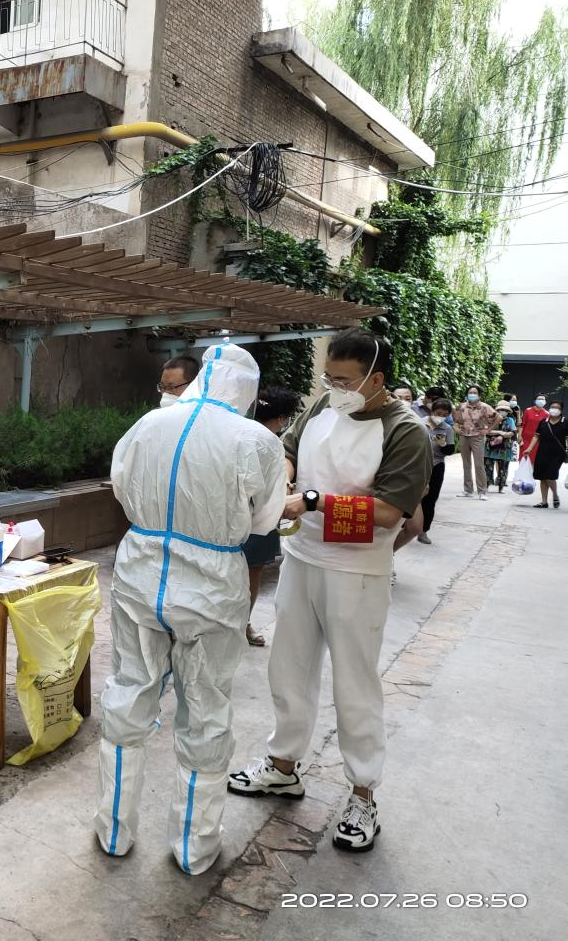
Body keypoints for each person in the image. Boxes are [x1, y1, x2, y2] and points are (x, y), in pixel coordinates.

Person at [228, 329, 431, 854]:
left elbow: (389, 513)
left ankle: (363, 794)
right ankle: (282, 766)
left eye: (344, 380)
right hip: (302, 558)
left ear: (375, 379)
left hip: (357, 570)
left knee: (354, 683)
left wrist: (313, 501)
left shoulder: (406, 432)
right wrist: (285, 478)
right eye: (329, 377)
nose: (333, 388)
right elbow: (289, 449)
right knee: (289, 667)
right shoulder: (323, 406)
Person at [96, 344, 286, 874]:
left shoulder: (148, 424)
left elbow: (120, 486)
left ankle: (113, 831)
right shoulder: (257, 440)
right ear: (247, 390)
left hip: (140, 573)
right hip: (212, 588)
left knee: (127, 694)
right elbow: (265, 520)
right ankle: (194, 847)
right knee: (205, 712)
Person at [241, 386, 302, 646]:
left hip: (233, 514)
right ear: (282, 418)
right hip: (261, 515)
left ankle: (236, 624)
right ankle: (244, 624)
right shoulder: (273, 444)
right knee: (252, 572)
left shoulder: (237, 433)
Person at [417, 397, 456, 544]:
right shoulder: (420, 423)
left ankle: (423, 531)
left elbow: (450, 450)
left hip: (436, 464)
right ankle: (404, 527)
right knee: (413, 496)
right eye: (438, 413)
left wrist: (444, 444)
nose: (441, 417)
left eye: (445, 415)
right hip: (418, 463)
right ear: (432, 411)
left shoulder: (447, 429)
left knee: (431, 499)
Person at [454, 385, 499, 499]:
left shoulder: (484, 407)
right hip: (464, 436)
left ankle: (482, 491)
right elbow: (455, 420)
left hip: (477, 437)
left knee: (479, 464)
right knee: (466, 464)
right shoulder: (462, 406)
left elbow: (498, 417)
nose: (472, 394)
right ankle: (468, 490)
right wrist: (456, 428)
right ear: (467, 394)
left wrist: (488, 430)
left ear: (479, 395)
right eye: (470, 392)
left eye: (474, 393)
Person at [527, 400, 567, 508]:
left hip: (558, 454)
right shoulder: (543, 422)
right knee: (542, 477)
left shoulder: (565, 422)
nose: (554, 409)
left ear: (561, 410)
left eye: (557, 407)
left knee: (550, 475)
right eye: (553, 407)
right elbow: (536, 436)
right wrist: (530, 448)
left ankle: (555, 495)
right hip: (542, 452)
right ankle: (544, 502)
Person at [484, 400, 518, 493]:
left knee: (503, 468)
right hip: (490, 446)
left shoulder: (510, 420)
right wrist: (501, 433)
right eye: (501, 409)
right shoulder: (490, 419)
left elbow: (512, 432)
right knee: (487, 466)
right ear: (497, 410)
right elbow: (486, 431)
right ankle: (486, 485)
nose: (503, 411)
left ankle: (501, 486)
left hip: (505, 447)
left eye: (505, 410)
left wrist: (502, 436)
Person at [520, 393, 550, 459]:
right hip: (525, 439)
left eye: (543, 399)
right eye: (539, 399)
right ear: (535, 400)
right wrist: (519, 436)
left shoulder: (547, 414)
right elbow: (522, 424)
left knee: (534, 459)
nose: (541, 401)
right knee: (523, 459)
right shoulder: (528, 410)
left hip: (537, 441)